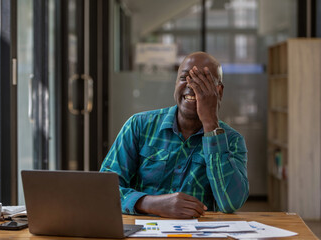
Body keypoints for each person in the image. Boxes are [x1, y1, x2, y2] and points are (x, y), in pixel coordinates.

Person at [100, 51, 249, 219]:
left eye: (204, 81)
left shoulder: (231, 140)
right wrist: (151, 204)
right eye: (185, 78)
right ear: (175, 83)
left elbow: (230, 203)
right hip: (142, 234)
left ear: (218, 91)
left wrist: (210, 125)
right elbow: (104, 190)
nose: (192, 86)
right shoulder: (139, 126)